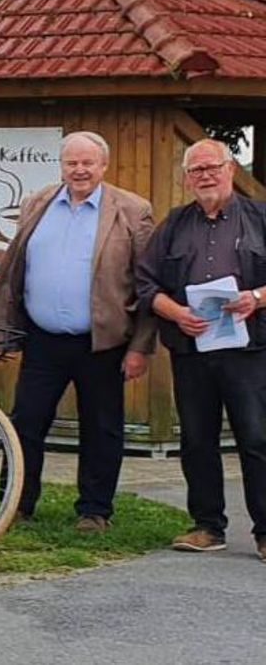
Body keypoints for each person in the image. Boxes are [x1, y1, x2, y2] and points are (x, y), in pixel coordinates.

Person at [0, 131, 155, 533]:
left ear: (103, 165)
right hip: (42, 339)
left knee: (101, 428)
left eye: (87, 163)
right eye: (71, 163)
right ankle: (16, 503)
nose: (79, 170)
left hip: (102, 343)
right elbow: (14, 271)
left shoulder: (132, 210)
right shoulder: (37, 204)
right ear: (61, 165)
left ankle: (94, 510)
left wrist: (140, 348)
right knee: (25, 423)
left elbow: (148, 284)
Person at [136, 139, 266, 560]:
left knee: (256, 438)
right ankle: (208, 526)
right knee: (196, 440)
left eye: (212, 167)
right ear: (186, 178)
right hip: (192, 350)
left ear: (230, 169)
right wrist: (173, 312)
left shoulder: (261, 216)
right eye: (196, 170)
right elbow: (144, 284)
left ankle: (265, 532)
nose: (205, 176)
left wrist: (257, 298)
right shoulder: (174, 224)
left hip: (250, 351)